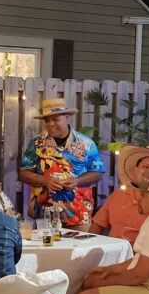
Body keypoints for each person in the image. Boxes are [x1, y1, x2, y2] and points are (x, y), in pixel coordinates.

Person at [19, 98, 104, 230]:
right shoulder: (36, 143)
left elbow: (98, 173)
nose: (50, 124)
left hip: (78, 214)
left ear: (66, 118)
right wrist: (46, 181)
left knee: (81, 244)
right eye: (47, 121)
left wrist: (77, 181)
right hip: (45, 214)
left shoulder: (86, 143)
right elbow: (24, 173)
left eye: (55, 119)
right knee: (47, 244)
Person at [89, 145, 149, 244]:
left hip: (145, 252)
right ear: (136, 169)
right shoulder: (118, 195)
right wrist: (90, 246)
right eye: (145, 167)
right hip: (113, 251)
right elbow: (98, 226)